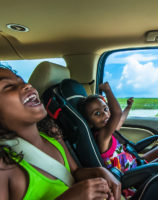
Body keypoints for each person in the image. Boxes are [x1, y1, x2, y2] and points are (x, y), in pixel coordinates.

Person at [0, 66, 121, 200]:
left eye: (22, 81)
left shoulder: (52, 133)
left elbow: (74, 172)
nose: (27, 85)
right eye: (8, 86)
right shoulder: (4, 168)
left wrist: (99, 171)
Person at [78, 81, 158, 199]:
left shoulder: (108, 130)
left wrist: (128, 107)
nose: (104, 114)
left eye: (105, 109)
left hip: (132, 164)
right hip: (129, 176)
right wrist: (107, 90)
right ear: (89, 122)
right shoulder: (102, 136)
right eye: (97, 113)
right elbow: (116, 114)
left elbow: (120, 119)